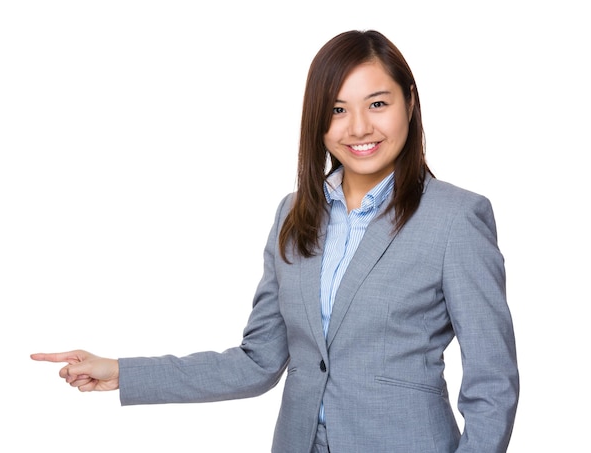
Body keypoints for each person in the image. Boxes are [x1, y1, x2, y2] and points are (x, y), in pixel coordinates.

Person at [31, 29, 519, 452]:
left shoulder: (456, 218)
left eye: (377, 103)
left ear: (409, 102)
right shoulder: (293, 214)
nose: (359, 128)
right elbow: (258, 361)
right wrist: (122, 372)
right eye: (337, 109)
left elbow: (492, 383)